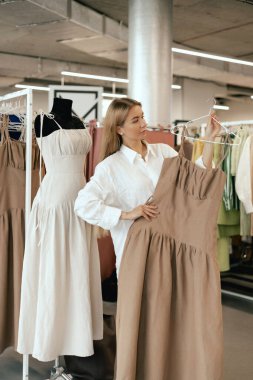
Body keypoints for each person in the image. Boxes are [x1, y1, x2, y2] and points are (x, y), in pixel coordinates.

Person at [74, 97, 220, 273]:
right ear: (119, 129)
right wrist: (126, 214)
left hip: (171, 246)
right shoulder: (110, 167)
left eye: (143, 117)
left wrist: (211, 138)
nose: (144, 123)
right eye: (136, 120)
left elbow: (197, 179)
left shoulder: (164, 152)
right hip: (135, 254)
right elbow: (82, 205)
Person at [17, 97, 103, 363]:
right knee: (54, 269)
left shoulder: (78, 121)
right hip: (55, 201)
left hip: (80, 200)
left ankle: (75, 337)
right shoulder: (42, 120)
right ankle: (50, 339)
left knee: (78, 269)